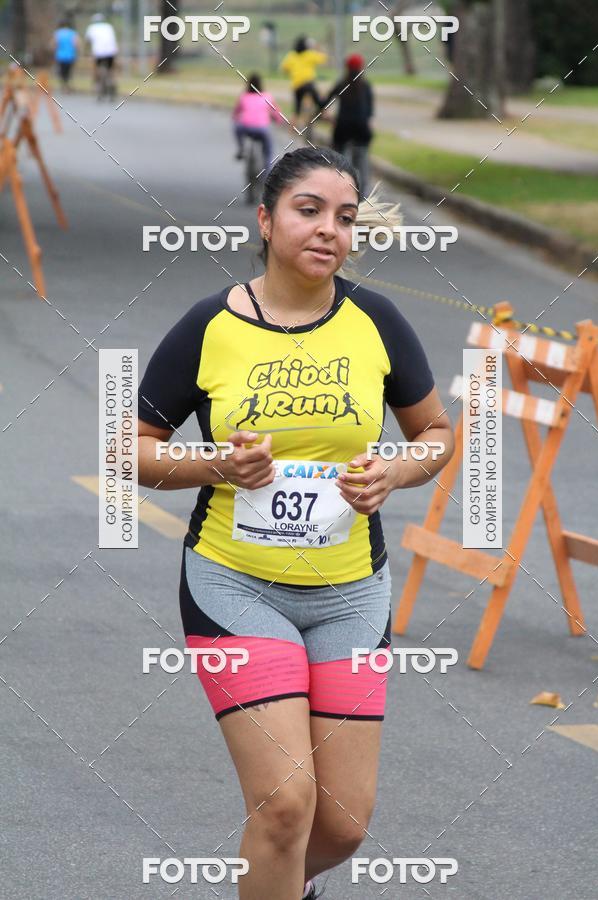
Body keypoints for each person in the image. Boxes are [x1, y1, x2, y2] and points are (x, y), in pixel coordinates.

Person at [137, 147, 454, 900]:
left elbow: (437, 431)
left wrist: (396, 471)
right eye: (308, 210)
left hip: (350, 591)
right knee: (284, 805)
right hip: (235, 587)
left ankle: (272, 885)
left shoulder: (375, 320)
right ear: (266, 221)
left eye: (345, 217)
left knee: (341, 825)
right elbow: (130, 448)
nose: (329, 230)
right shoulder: (211, 325)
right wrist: (217, 465)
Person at [320, 53, 374, 197]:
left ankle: (341, 192)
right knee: (362, 161)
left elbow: (324, 103)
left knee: (340, 161)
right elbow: (369, 113)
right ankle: (362, 197)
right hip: (361, 128)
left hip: (342, 127)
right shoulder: (366, 86)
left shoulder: (341, 84)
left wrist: (328, 116)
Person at [232, 72, 286, 174]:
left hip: (245, 128)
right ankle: (267, 175)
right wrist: (279, 121)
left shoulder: (244, 96)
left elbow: (236, 112)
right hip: (262, 129)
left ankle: (241, 148)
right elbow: (276, 112)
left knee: (236, 127)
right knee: (268, 152)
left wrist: (235, 117)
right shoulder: (267, 96)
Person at [280, 36, 328, 130]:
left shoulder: (291, 55)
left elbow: (284, 69)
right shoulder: (310, 54)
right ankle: (325, 116)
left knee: (296, 109)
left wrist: (291, 71)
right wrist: (317, 48)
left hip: (297, 86)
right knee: (320, 102)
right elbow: (324, 58)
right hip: (309, 84)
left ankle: (291, 130)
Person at [84, 13, 118, 99]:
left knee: (97, 69)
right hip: (111, 51)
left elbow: (87, 41)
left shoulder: (91, 28)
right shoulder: (109, 26)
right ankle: (111, 83)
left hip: (98, 52)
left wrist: (86, 52)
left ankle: (99, 86)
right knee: (110, 70)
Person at [53, 19, 79, 92]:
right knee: (69, 71)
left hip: (60, 55)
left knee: (62, 71)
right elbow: (76, 44)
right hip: (70, 55)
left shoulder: (58, 33)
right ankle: (68, 86)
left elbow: (55, 43)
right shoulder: (72, 33)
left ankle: (64, 86)